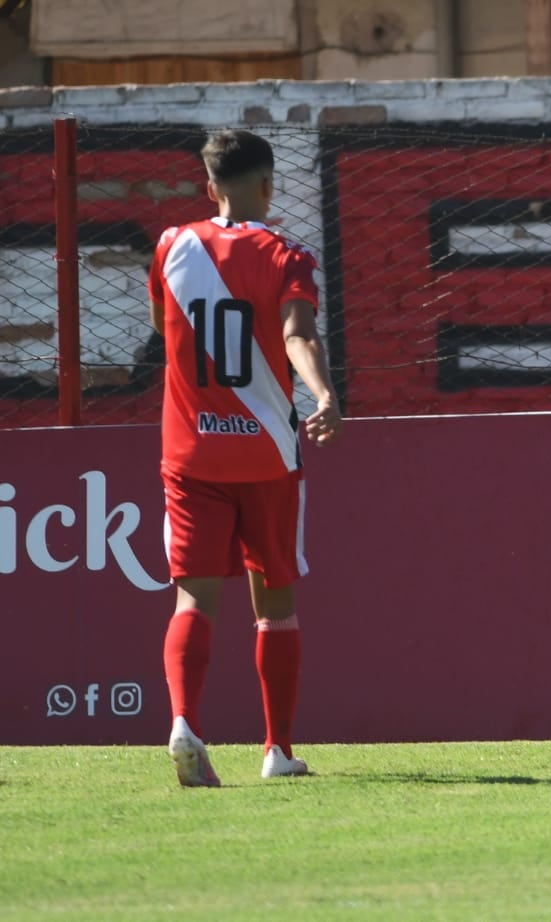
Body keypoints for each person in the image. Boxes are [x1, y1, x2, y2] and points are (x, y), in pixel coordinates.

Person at [148, 129, 342, 787]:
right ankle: (277, 751)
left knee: (193, 600)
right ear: (267, 185)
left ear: (209, 186)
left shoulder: (171, 247)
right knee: (276, 605)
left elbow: (162, 328)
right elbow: (297, 334)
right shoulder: (287, 255)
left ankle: (183, 724)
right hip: (264, 454)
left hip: (191, 451)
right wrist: (322, 392)